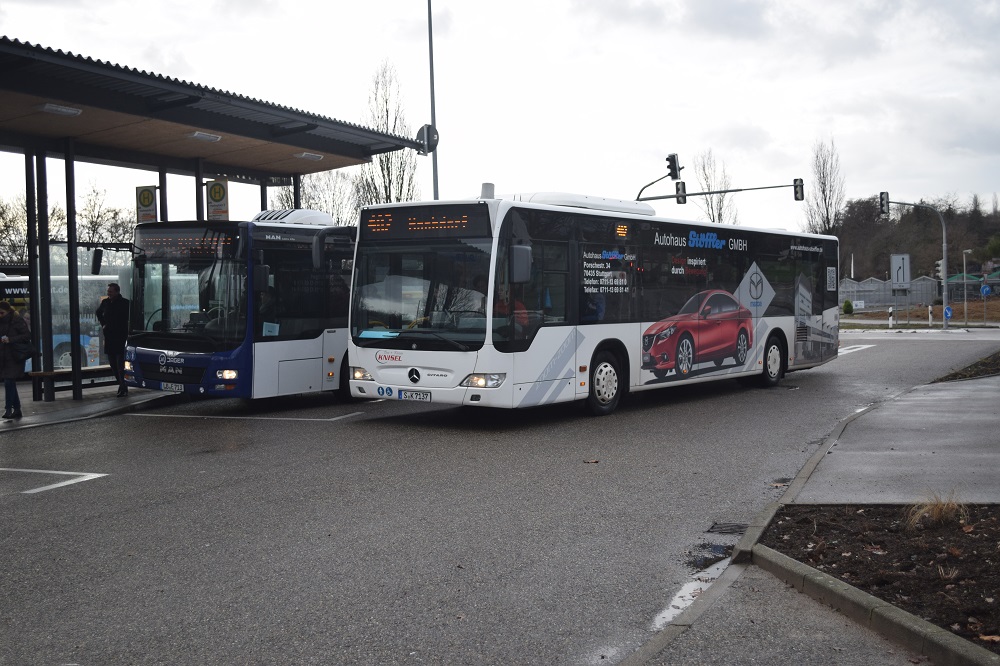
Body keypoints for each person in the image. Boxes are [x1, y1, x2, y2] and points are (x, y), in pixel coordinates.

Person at [96, 282, 130, 397]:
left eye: (110, 291)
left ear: (117, 292)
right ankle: (122, 385)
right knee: (113, 365)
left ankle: (123, 387)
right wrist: (103, 324)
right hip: (109, 338)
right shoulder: (105, 302)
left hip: (120, 337)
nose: (108, 293)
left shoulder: (125, 303)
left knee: (120, 365)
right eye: (108, 291)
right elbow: (98, 312)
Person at [0, 300, 30, 419]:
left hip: (14, 356)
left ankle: (8, 409)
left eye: (2, 313)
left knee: (8, 382)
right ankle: (17, 409)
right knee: (10, 382)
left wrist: (10, 339)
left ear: (8, 311)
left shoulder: (16, 320)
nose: (0, 315)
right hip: (3, 357)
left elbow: (27, 336)